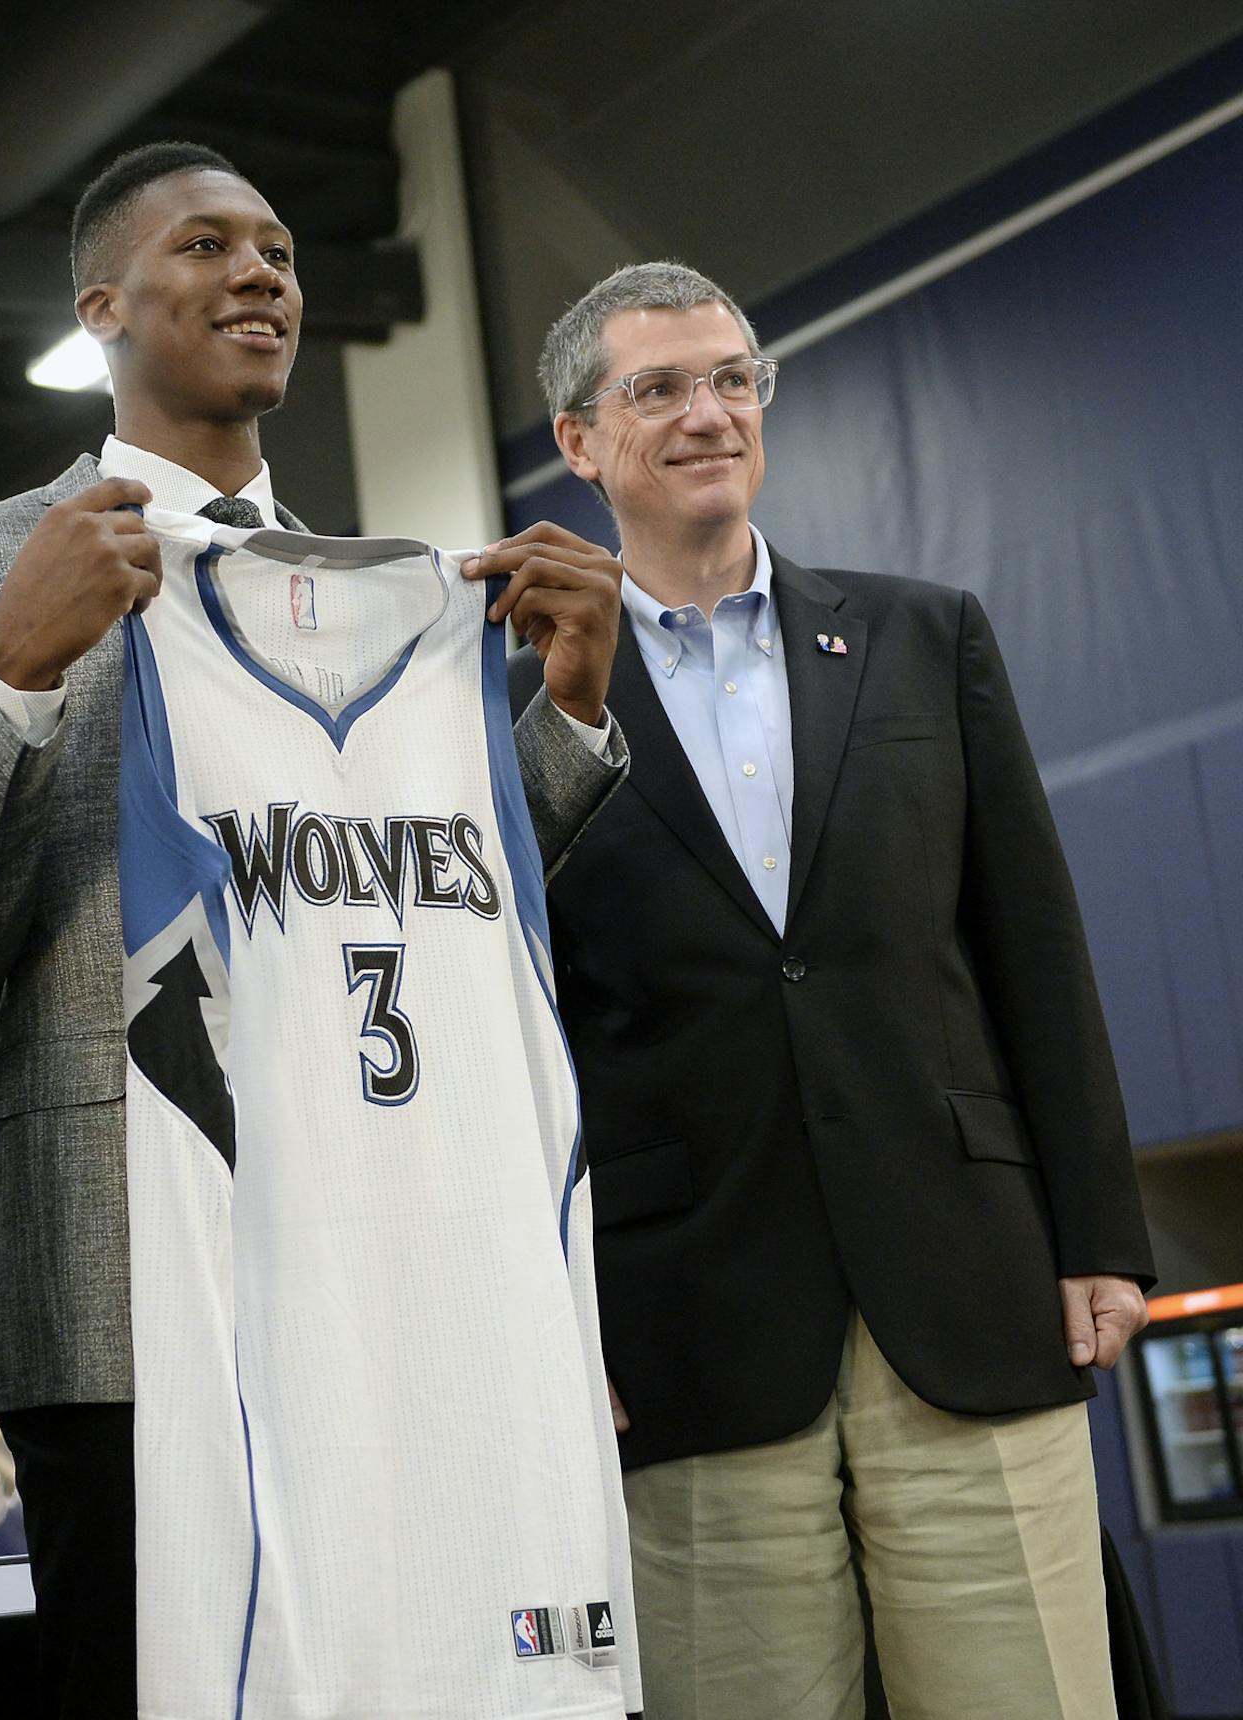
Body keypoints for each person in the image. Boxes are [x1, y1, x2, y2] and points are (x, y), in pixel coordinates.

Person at [0, 139, 628, 1717]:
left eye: (279, 250)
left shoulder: (408, 590)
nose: (262, 274)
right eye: (208, 247)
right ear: (103, 309)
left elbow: (436, 920)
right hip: (133, 1297)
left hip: (392, 1262)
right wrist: (10, 673)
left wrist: (564, 716)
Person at [509, 259, 1156, 1720]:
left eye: (734, 377)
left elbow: (1032, 946)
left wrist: (1101, 1226)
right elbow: (510, 1032)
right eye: (657, 388)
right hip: (687, 1334)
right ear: (577, 439)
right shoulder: (509, 702)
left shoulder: (927, 637)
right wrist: (548, 1323)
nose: (708, 413)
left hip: (975, 1299)